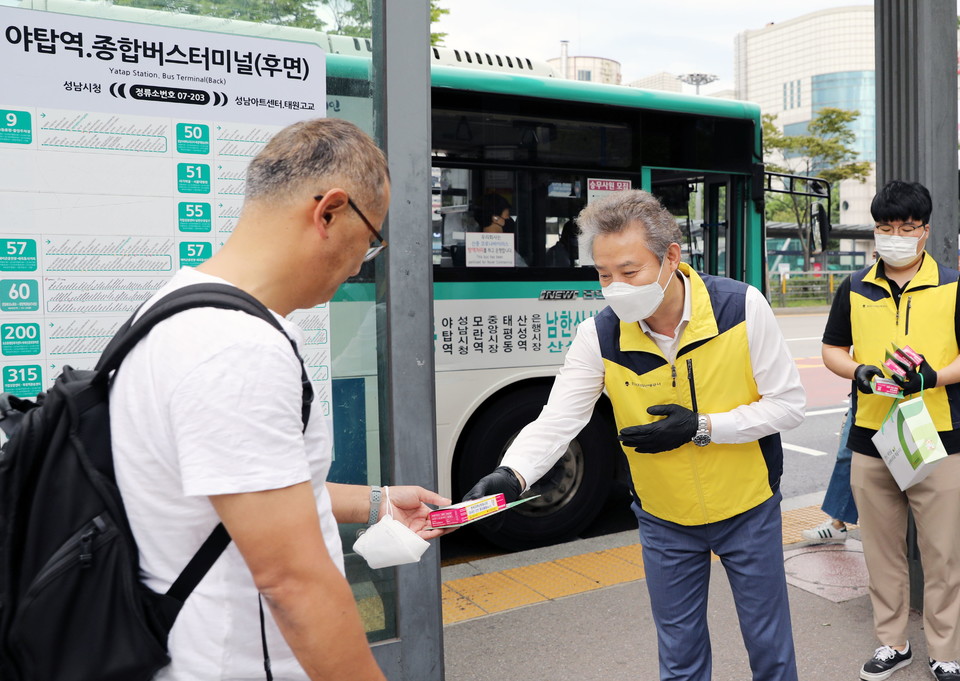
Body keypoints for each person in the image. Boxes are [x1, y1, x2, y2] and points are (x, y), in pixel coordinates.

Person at [109, 118, 449, 681]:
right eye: (370, 240)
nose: (362, 262)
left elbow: (237, 492)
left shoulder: (173, 307)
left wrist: (377, 503)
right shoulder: (236, 350)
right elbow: (293, 583)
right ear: (330, 212)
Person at [465, 189, 805, 681]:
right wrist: (511, 474)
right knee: (681, 660)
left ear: (671, 257)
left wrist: (704, 427)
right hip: (664, 519)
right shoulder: (599, 335)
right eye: (604, 275)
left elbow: (789, 405)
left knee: (770, 651)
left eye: (630, 272)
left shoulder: (740, 308)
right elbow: (557, 419)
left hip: (748, 508)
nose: (616, 287)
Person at [822, 180, 960, 681]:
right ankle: (892, 643)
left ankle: (946, 651)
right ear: (874, 231)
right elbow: (832, 348)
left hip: (939, 438)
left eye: (906, 228)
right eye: (885, 228)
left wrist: (934, 376)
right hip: (871, 438)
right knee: (880, 552)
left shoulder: (953, 285)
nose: (895, 237)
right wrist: (856, 370)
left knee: (943, 553)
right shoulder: (853, 287)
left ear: (925, 231)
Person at [801, 404, 857, 542]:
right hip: (863, 401)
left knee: (849, 457)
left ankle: (837, 523)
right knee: (848, 457)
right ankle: (837, 523)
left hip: (883, 400)